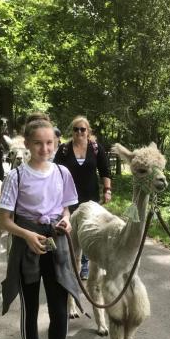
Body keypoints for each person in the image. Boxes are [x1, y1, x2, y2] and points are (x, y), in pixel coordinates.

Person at [0, 117, 82, 339]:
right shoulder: (16, 176)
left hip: (55, 245)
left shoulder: (62, 173)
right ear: (28, 144)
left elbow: (67, 209)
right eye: (38, 143)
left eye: (50, 143)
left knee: (59, 308)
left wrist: (66, 221)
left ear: (56, 143)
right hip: (27, 246)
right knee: (30, 309)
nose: (44, 148)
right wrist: (26, 235)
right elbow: (4, 221)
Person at [52, 116, 112, 280]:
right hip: (68, 198)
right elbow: (54, 172)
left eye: (82, 129)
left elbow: (105, 171)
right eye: (76, 129)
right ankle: (68, 263)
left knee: (87, 229)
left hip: (90, 197)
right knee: (68, 229)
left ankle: (85, 264)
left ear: (88, 131)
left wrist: (107, 190)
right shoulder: (64, 149)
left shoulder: (95, 148)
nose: (79, 132)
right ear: (72, 131)